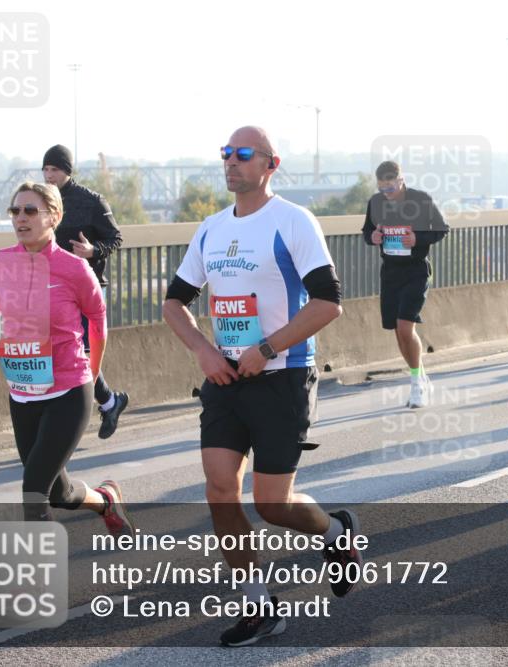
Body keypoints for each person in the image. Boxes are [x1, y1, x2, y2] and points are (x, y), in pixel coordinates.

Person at [162, 126, 360, 647]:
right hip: (225, 379)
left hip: (283, 377)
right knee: (220, 489)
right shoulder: (209, 229)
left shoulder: (292, 221)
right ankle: (259, 604)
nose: (231, 162)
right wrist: (204, 351)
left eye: (243, 154)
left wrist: (268, 348)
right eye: (226, 153)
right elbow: (173, 303)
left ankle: (336, 533)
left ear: (270, 164)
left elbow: (328, 302)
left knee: (272, 504)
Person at [0, 181, 133, 534]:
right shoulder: (3, 261)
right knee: (59, 492)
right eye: (15, 211)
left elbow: (97, 318)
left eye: (30, 210)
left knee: (33, 491)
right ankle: (107, 500)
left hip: (68, 390)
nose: (21, 218)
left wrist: (92, 373)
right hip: (23, 391)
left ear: (54, 217)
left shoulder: (74, 269)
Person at [42, 145, 129, 439]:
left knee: (79, 354)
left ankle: (72, 418)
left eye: (54, 169)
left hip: (86, 287)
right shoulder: (41, 203)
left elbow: (116, 238)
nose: (49, 175)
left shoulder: (91, 201)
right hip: (51, 289)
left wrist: (93, 251)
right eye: (46, 170)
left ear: (67, 171)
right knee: (63, 353)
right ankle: (109, 402)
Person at [362, 160, 448, 408]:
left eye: (390, 188)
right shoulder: (375, 203)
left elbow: (442, 229)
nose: (386, 193)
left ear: (401, 180)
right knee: (398, 333)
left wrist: (418, 238)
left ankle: (415, 385)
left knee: (405, 326)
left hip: (416, 271)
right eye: (381, 188)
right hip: (390, 273)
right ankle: (419, 375)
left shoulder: (421, 200)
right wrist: (373, 237)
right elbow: (367, 231)